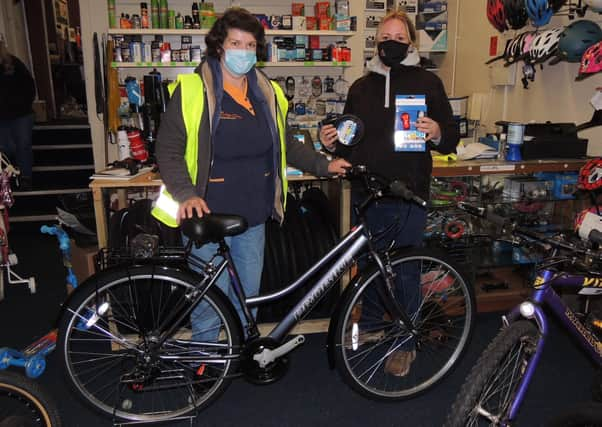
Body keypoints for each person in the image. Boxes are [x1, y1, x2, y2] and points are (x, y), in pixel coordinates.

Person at [152, 8, 350, 341]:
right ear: (219, 45)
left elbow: (285, 143)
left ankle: (243, 355)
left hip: (254, 216)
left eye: (250, 45)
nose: (243, 52)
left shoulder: (267, 92)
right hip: (207, 214)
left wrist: (323, 165)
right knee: (208, 302)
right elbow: (168, 150)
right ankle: (205, 365)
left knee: (248, 299)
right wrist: (187, 194)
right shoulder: (192, 89)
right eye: (235, 43)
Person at [320, 10, 459, 377]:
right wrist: (331, 142)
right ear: (376, 42)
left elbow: (452, 137)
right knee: (367, 269)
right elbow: (348, 142)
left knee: (406, 273)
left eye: (399, 37)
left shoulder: (428, 83)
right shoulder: (359, 88)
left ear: (411, 43)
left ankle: (405, 344)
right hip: (368, 194)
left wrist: (437, 132)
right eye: (385, 37)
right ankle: (368, 331)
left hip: (409, 194)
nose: (391, 43)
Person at [0, 36, 36, 191]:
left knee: (23, 145)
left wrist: (24, 103)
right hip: (2, 116)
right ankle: (10, 174)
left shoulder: (13, 63)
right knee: (6, 147)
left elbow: (29, 85)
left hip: (21, 113)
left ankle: (26, 176)